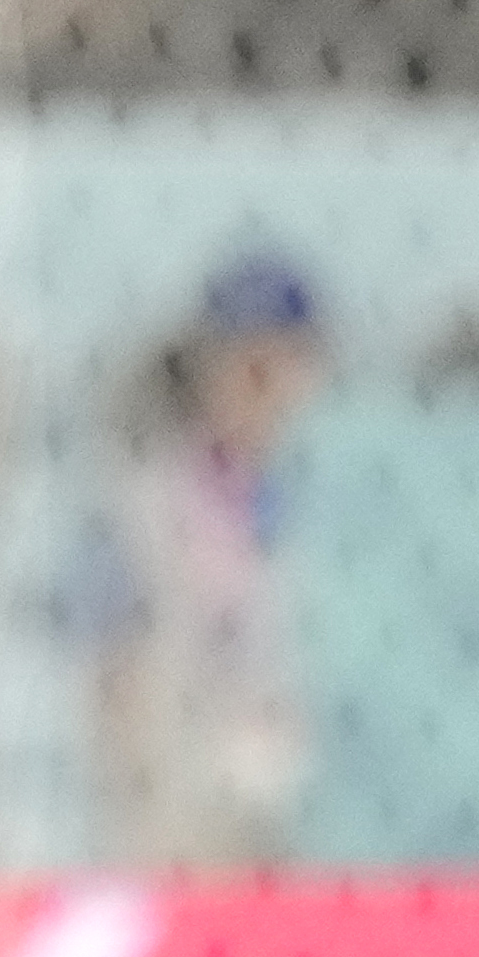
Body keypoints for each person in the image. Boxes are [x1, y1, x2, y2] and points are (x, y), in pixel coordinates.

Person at [79, 252, 327, 870]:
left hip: (318, 800)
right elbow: (113, 664)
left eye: (278, 369)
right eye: (242, 368)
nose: (260, 391)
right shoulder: (150, 501)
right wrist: (141, 797)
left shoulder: (341, 495)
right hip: (191, 802)